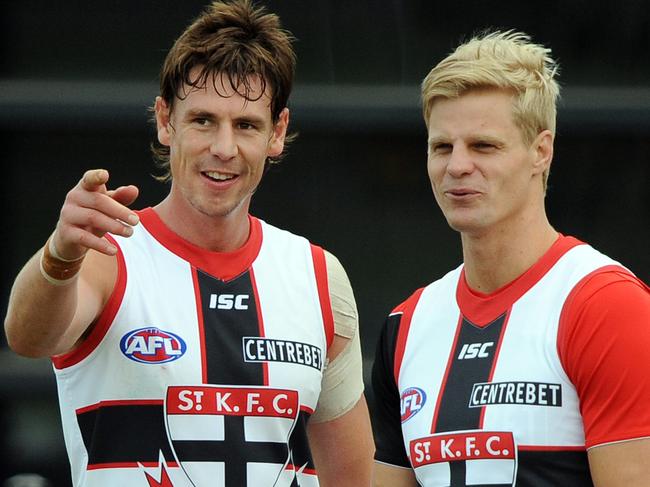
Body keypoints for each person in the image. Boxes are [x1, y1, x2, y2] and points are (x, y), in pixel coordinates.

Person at [4, 1, 374, 485]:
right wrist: (59, 254)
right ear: (165, 121)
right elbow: (28, 338)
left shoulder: (319, 276)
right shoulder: (108, 253)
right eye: (203, 120)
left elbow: (354, 478)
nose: (223, 148)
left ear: (277, 133)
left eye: (246, 125)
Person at [370, 30, 650, 486]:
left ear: (542, 151)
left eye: (484, 146)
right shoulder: (406, 324)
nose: (457, 166)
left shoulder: (606, 305)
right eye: (442, 146)